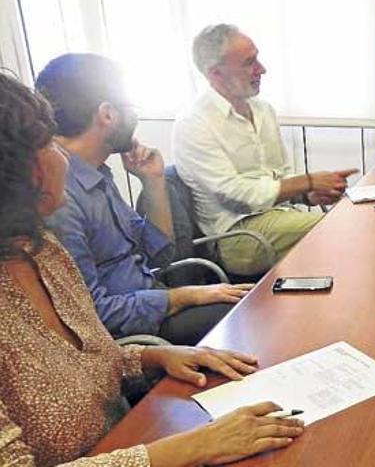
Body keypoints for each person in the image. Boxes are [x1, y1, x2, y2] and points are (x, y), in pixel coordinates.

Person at [0, 70, 305, 465]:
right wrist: (199, 445)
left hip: (131, 437)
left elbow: (93, 358)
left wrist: (151, 358)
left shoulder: (41, 250)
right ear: (25, 173)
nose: (62, 154)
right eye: (48, 142)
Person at [36, 54, 250, 346]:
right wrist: (180, 297)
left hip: (155, 302)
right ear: (108, 115)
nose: (135, 118)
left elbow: (159, 255)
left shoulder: (97, 172)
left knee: (254, 307)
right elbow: (90, 312)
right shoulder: (60, 196)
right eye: (132, 108)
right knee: (246, 320)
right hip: (134, 336)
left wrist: (153, 182)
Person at [173, 24, 357, 276]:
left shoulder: (262, 110)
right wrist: (309, 181)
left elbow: (278, 176)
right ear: (216, 73)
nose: (262, 69)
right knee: (345, 228)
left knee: (355, 221)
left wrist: (307, 196)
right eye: (249, 63)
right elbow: (235, 194)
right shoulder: (194, 123)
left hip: (277, 217)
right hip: (238, 236)